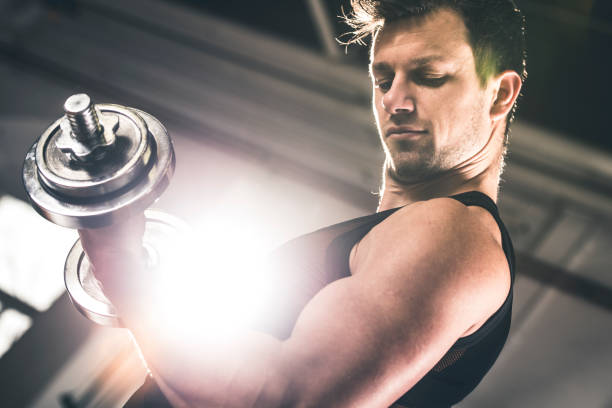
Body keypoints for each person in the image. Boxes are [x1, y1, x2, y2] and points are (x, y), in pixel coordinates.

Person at [79, 0, 527, 406]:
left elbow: (282, 398)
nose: (393, 99)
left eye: (429, 77)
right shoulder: (401, 236)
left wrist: (116, 257)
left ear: (500, 94)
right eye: (383, 79)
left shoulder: (455, 233)